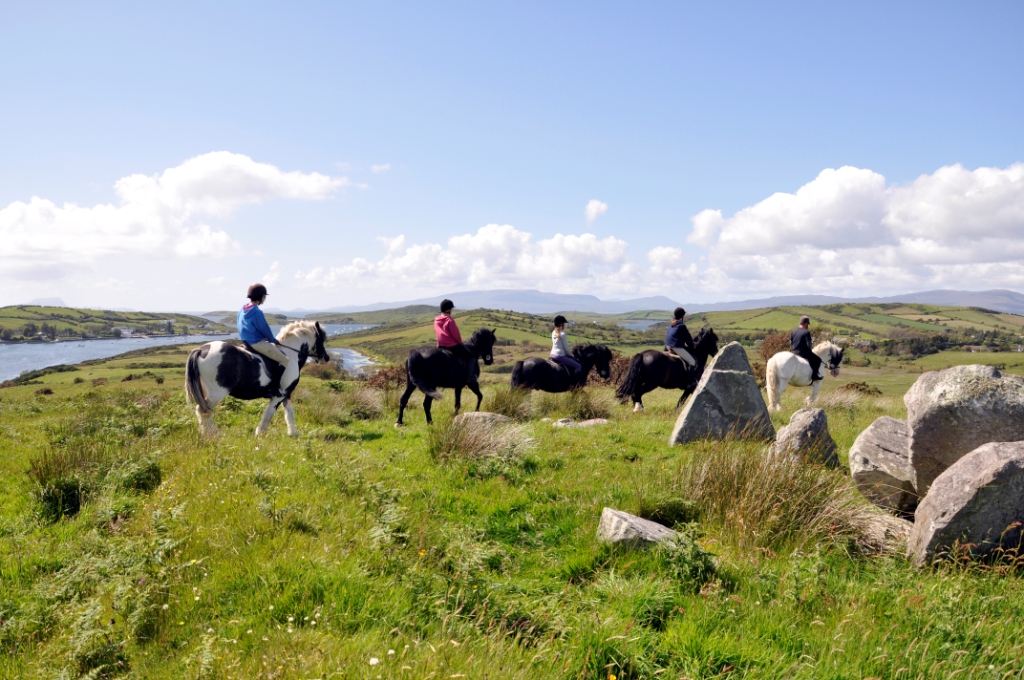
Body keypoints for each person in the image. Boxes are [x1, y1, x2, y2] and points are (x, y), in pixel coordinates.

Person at [237, 283, 290, 390]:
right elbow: (264, 328)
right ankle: (274, 387)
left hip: (245, 342)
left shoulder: (242, 309)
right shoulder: (256, 311)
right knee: (285, 360)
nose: (264, 299)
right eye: (264, 296)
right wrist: (273, 340)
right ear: (260, 297)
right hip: (256, 343)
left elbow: (241, 325)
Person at [434, 299, 474, 376]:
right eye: (451, 309)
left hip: (440, 346)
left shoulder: (436, 320)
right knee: (471, 355)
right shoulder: (450, 320)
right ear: (448, 310)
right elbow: (456, 335)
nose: (452, 310)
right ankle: (470, 378)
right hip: (451, 345)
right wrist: (460, 343)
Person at [791, 315, 823, 381]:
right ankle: (814, 376)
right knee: (818, 360)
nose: (807, 325)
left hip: (794, 352)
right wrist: (810, 351)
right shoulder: (806, 332)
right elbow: (809, 345)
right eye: (807, 324)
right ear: (806, 323)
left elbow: (791, 342)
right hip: (803, 353)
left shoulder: (794, 331)